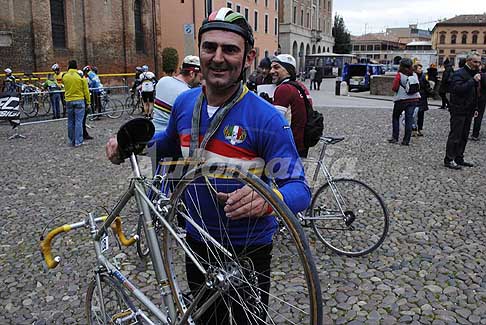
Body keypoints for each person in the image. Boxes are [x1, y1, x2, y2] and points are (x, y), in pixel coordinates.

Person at [106, 8, 310, 324]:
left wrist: (270, 199)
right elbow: (170, 146)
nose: (217, 57)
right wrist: (130, 143)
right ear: (199, 52)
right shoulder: (185, 104)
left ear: (248, 57)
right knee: (206, 320)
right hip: (197, 240)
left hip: (248, 249)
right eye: (209, 47)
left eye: (230, 49)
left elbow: (300, 188)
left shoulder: (266, 118)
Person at [444, 52, 482, 170]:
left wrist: (475, 108)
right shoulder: (459, 73)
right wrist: (472, 81)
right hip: (458, 109)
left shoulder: (475, 73)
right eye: (475, 62)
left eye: (479, 62)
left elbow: (475, 94)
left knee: (464, 135)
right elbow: (457, 89)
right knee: (456, 135)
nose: (477, 64)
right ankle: (449, 159)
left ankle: (459, 157)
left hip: (469, 110)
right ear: (468, 61)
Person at [270, 54, 312, 158]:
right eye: (271, 67)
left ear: (288, 70)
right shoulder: (301, 86)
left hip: (288, 144)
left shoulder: (284, 89)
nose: (271, 71)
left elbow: (275, 122)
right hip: (302, 141)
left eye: (276, 67)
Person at [153, 55, 201, 133]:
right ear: (192, 74)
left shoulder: (162, 80)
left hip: (154, 133)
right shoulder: (186, 94)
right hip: (169, 138)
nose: (200, 81)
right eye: (200, 77)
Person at [388, 58, 420, 146]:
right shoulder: (414, 75)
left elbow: (394, 88)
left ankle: (395, 137)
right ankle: (406, 140)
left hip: (401, 100)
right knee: (409, 119)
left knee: (396, 117)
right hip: (414, 99)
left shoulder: (399, 75)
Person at [62, 60, 91, 147]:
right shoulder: (81, 77)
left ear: (68, 66)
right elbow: (86, 90)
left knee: (70, 122)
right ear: (76, 66)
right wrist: (88, 102)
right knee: (79, 122)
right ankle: (78, 141)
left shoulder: (65, 76)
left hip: (69, 100)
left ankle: (71, 140)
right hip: (79, 100)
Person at [413, 63, 433, 137]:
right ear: (415, 69)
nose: (420, 70)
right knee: (414, 114)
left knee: (421, 114)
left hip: (422, 97)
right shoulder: (413, 76)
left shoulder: (423, 76)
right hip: (415, 97)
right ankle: (414, 129)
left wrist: (430, 92)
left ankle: (419, 129)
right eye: (419, 68)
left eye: (421, 68)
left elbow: (427, 86)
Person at [471, 64, 486, 141]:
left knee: (475, 116)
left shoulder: (477, 75)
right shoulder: (483, 75)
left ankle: (474, 134)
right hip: (482, 98)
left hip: (476, 97)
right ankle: (475, 134)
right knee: (479, 116)